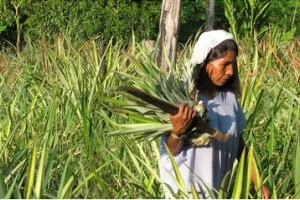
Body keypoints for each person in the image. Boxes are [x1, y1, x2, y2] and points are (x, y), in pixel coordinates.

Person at [159, 30, 270, 198]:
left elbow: (238, 143)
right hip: (185, 194)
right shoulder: (182, 97)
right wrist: (177, 131)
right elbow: (169, 153)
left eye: (233, 64)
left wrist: (259, 183)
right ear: (205, 63)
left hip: (217, 194)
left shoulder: (229, 99)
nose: (231, 71)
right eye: (225, 64)